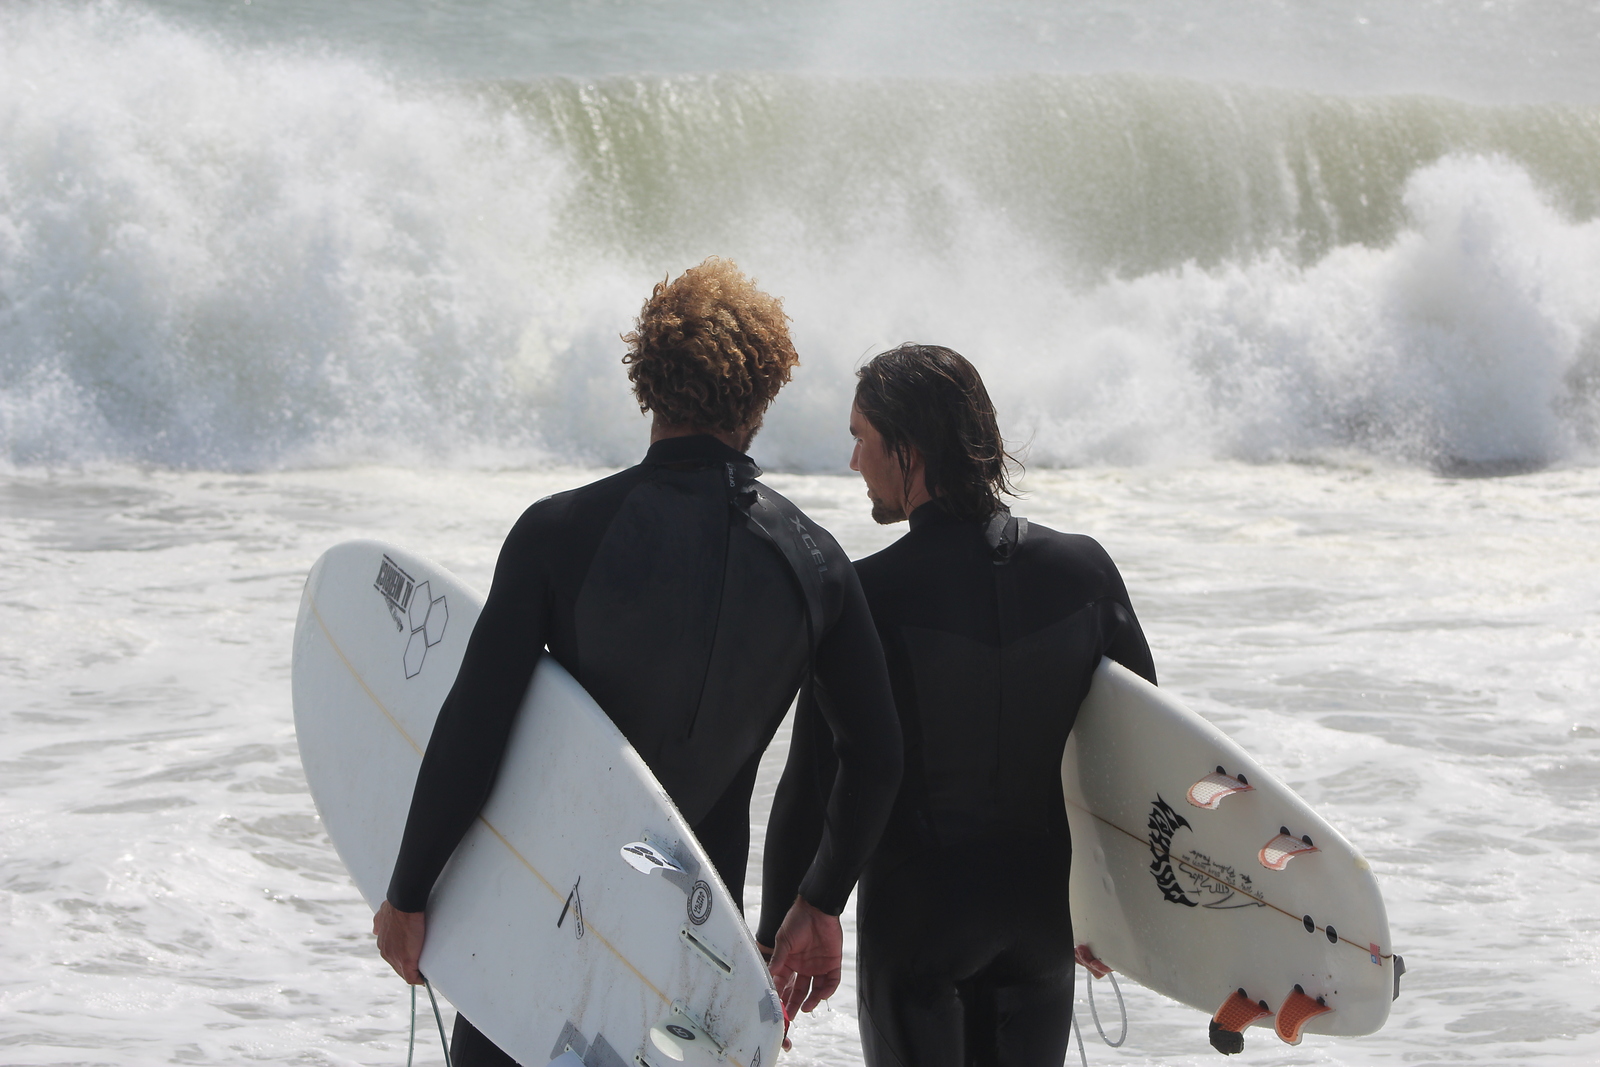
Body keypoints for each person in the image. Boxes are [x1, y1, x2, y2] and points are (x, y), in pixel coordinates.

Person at [372, 259, 903, 1066]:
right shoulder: (816, 565)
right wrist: (818, 902)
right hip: (694, 941)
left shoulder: (561, 532)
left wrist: (410, 892)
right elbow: (876, 755)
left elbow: (473, 726)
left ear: (646, 378)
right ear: (762, 395)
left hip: (547, 910)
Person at [760, 343, 1157, 1067]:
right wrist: (1119, 909)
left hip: (918, 927)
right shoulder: (1085, 572)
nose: (855, 463)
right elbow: (1140, 752)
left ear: (907, 452)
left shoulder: (867, 593)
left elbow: (817, 779)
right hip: (1042, 922)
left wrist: (789, 920)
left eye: (862, 438)